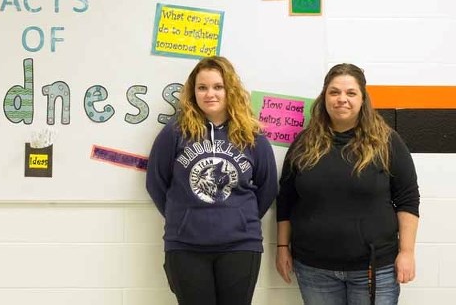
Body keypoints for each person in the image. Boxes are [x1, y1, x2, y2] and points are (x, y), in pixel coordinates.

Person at [275, 63, 420, 305]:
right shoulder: (303, 143)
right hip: (314, 270)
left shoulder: (387, 142)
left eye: (351, 93)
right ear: (324, 97)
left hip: (375, 270)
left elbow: (408, 199)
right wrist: (282, 246)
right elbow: (286, 200)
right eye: (334, 92)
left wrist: (407, 252)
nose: (342, 99)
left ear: (363, 99)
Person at [146, 56, 278, 305]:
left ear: (231, 90)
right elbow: (156, 182)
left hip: (240, 245)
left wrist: (238, 217)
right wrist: (184, 217)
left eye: (218, 87)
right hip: (185, 246)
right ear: (192, 92)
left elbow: (268, 186)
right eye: (202, 87)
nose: (210, 94)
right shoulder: (175, 132)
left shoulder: (252, 136)